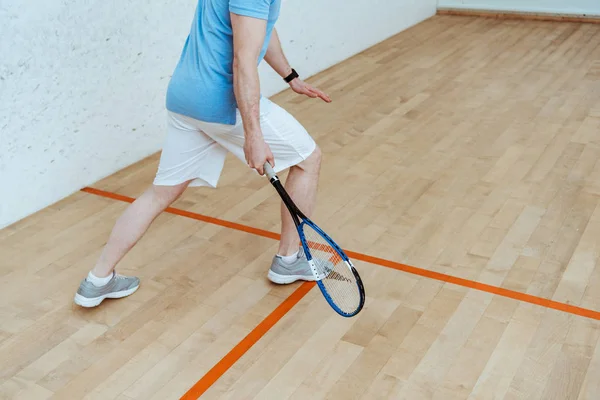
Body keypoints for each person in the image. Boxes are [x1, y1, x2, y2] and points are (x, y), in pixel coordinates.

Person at [73, 0, 331, 307]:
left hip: (185, 98)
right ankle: (289, 260)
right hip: (221, 101)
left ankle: (96, 280)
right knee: (307, 158)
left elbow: (261, 27)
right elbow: (242, 60)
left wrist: (291, 77)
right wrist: (254, 135)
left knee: (160, 193)